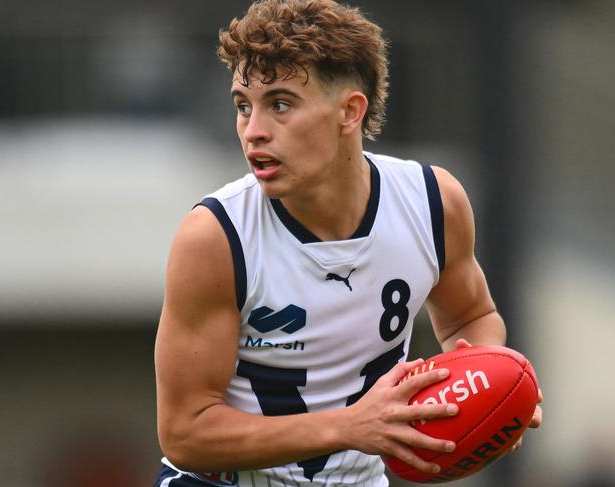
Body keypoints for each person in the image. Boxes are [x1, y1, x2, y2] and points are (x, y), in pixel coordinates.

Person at [154, 1, 542, 486]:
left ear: (349, 112)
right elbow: (184, 433)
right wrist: (351, 427)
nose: (253, 131)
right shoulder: (215, 235)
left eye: (280, 104)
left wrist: (492, 388)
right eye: (242, 105)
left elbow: (472, 317)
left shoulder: (432, 202)